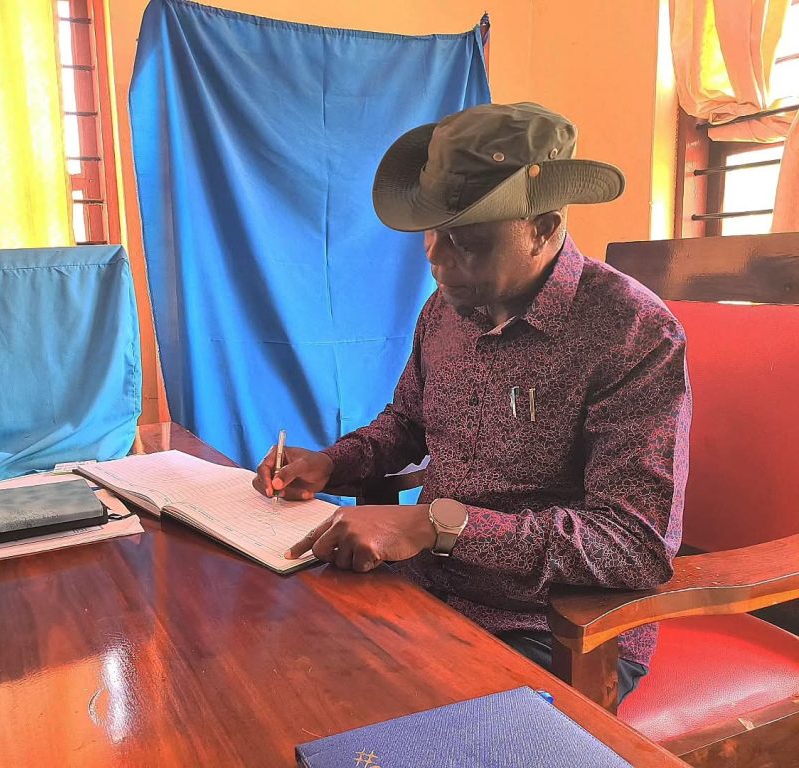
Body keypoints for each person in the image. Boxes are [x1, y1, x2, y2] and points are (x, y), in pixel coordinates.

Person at [252, 102, 691, 702]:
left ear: (543, 227)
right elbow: (405, 424)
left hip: (552, 628)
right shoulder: (446, 310)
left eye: (468, 242)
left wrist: (438, 525)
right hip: (424, 588)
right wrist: (331, 463)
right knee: (267, 666)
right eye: (433, 232)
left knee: (367, 719)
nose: (435, 258)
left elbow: (633, 546)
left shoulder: (633, 332)